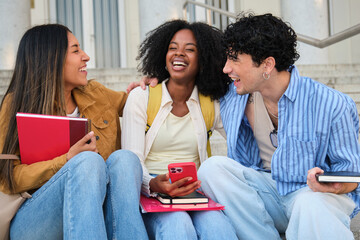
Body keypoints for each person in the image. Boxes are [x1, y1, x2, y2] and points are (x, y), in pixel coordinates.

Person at [196, 13, 360, 240]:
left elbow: (351, 174)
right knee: (212, 168)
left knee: (308, 204)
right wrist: (150, 82)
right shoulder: (234, 96)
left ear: (267, 64)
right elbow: (183, 80)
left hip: (314, 196)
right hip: (266, 193)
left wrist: (331, 185)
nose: (226, 68)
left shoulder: (333, 104)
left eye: (234, 59)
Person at [0, 24, 148, 240]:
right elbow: (7, 177)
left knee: (125, 158)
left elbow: (139, 105)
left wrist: (149, 87)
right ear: (51, 58)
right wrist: (66, 160)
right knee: (87, 161)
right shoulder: (17, 103)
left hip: (98, 211)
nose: (86, 57)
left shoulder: (96, 93)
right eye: (76, 50)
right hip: (35, 218)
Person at [121, 19, 237, 239]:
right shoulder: (141, 97)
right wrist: (153, 184)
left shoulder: (211, 103)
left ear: (204, 60)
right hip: (153, 191)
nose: (179, 54)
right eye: (172, 48)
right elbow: (132, 159)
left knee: (218, 228)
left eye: (190, 50)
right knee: (178, 223)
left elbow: (240, 143)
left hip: (194, 190)